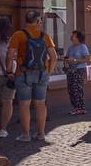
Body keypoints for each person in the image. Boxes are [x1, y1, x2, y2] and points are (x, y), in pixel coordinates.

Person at [7, 8, 56, 143]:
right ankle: (41, 133)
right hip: (42, 73)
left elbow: (10, 54)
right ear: (38, 21)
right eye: (41, 20)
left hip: (23, 73)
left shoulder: (18, 35)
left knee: (24, 104)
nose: (41, 23)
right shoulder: (44, 36)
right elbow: (54, 57)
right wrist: (49, 72)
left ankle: (26, 134)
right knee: (40, 103)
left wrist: (9, 70)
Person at [0, 18, 15, 137]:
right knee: (7, 102)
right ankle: (2, 129)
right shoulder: (10, 43)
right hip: (9, 76)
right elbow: (13, 61)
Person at [64, 30, 90, 116]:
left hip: (79, 70)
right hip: (71, 70)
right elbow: (67, 57)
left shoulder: (83, 47)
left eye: (73, 35)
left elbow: (87, 59)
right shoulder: (70, 47)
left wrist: (74, 60)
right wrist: (66, 62)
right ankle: (75, 107)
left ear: (78, 37)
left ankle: (80, 108)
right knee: (71, 89)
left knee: (77, 89)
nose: (71, 37)